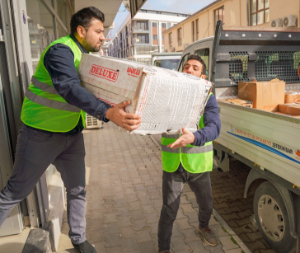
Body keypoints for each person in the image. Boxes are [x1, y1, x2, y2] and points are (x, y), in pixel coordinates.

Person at [0, 7, 141, 253]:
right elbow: (69, 89)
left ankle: (78, 238)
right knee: (15, 192)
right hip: (39, 135)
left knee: (78, 189)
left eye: (103, 32)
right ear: (80, 30)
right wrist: (108, 113)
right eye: (98, 31)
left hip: (71, 136)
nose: (103, 37)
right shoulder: (60, 51)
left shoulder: (83, 55)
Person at [157, 55, 221, 253]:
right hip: (173, 164)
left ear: (202, 75)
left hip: (198, 165)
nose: (190, 70)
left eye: (195, 68)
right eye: (186, 67)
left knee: (206, 205)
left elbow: (214, 128)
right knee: (169, 211)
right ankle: (163, 248)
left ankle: (203, 226)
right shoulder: (167, 96)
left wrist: (193, 137)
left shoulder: (208, 98)